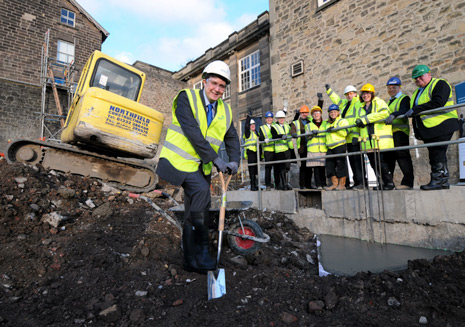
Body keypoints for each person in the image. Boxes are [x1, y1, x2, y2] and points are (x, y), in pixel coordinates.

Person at [156, 60, 240, 274]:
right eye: (214, 83)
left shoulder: (225, 110)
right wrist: (216, 160)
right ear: (204, 82)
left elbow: (232, 139)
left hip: (199, 167)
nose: (217, 89)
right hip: (177, 161)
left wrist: (234, 161)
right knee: (202, 193)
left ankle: (190, 260)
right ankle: (202, 255)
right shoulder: (187, 98)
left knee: (197, 208)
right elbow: (193, 132)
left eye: (222, 86)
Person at [407, 64, 459, 190]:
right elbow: (412, 110)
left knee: (437, 152)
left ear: (429, 74)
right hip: (430, 128)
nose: (418, 80)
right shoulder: (417, 93)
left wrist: (416, 109)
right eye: (416, 79)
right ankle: (442, 180)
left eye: (420, 77)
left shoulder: (440, 84)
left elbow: (438, 102)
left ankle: (438, 180)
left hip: (443, 124)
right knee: (436, 152)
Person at [355, 83, 395, 190]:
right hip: (368, 141)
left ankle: (389, 183)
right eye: (363, 93)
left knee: (381, 163)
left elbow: (385, 113)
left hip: (379, 139)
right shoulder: (361, 107)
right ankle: (381, 182)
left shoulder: (379, 102)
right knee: (373, 164)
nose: (365, 95)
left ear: (372, 94)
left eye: (368, 93)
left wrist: (365, 119)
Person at [325, 84, 364, 189]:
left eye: (351, 93)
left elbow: (358, 119)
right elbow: (337, 100)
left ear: (355, 94)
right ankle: (355, 182)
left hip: (354, 136)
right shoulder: (346, 104)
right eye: (347, 94)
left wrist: (357, 135)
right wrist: (329, 91)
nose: (349, 96)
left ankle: (361, 182)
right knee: (351, 161)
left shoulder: (358, 103)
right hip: (347, 138)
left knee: (357, 161)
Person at [383, 77, 414, 190]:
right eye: (389, 88)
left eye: (394, 87)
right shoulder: (389, 102)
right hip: (390, 134)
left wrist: (394, 115)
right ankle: (388, 182)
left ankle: (408, 182)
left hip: (400, 132)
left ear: (399, 87)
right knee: (390, 158)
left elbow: (404, 110)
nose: (391, 90)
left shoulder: (404, 98)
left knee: (402, 156)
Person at [324, 104, 349, 190]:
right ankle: (334, 184)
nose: (333, 113)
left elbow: (344, 133)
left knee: (340, 164)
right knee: (329, 165)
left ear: (338, 112)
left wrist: (335, 129)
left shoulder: (342, 121)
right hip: (330, 147)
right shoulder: (327, 123)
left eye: (335, 112)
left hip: (339, 145)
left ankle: (341, 185)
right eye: (331, 112)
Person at [305, 105, 327, 189]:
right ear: (312, 115)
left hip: (323, 148)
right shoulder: (309, 125)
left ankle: (324, 184)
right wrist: (311, 134)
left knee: (323, 168)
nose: (316, 115)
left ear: (320, 114)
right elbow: (307, 137)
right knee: (316, 168)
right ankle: (318, 185)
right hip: (313, 149)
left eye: (317, 113)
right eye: (314, 113)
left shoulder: (326, 123)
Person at [291, 105, 313, 189]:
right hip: (302, 147)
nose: (304, 114)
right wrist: (293, 133)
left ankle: (309, 184)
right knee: (303, 167)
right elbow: (292, 129)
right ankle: (302, 185)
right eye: (303, 113)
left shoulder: (310, 121)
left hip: (310, 146)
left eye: (306, 113)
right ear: (300, 113)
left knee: (310, 167)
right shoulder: (296, 122)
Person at [271, 110, 293, 190]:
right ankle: (284, 185)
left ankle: (286, 184)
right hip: (279, 151)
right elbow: (274, 136)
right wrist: (281, 136)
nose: (281, 119)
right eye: (280, 118)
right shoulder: (274, 127)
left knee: (287, 168)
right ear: (277, 119)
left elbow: (291, 128)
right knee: (282, 168)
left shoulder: (286, 125)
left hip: (286, 149)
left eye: (283, 118)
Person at [259, 111, 276, 190]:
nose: (269, 119)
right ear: (265, 119)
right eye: (268, 118)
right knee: (268, 168)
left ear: (272, 119)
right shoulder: (262, 128)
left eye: (270, 118)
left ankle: (277, 183)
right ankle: (268, 184)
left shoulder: (275, 126)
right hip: (268, 150)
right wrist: (264, 139)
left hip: (275, 149)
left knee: (276, 167)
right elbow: (261, 137)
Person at [243, 113, 259, 191]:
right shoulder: (248, 133)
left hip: (256, 153)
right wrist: (248, 118)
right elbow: (246, 127)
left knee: (256, 170)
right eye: (251, 125)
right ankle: (252, 186)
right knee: (252, 170)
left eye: (253, 124)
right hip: (250, 152)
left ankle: (256, 185)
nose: (252, 126)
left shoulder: (256, 133)